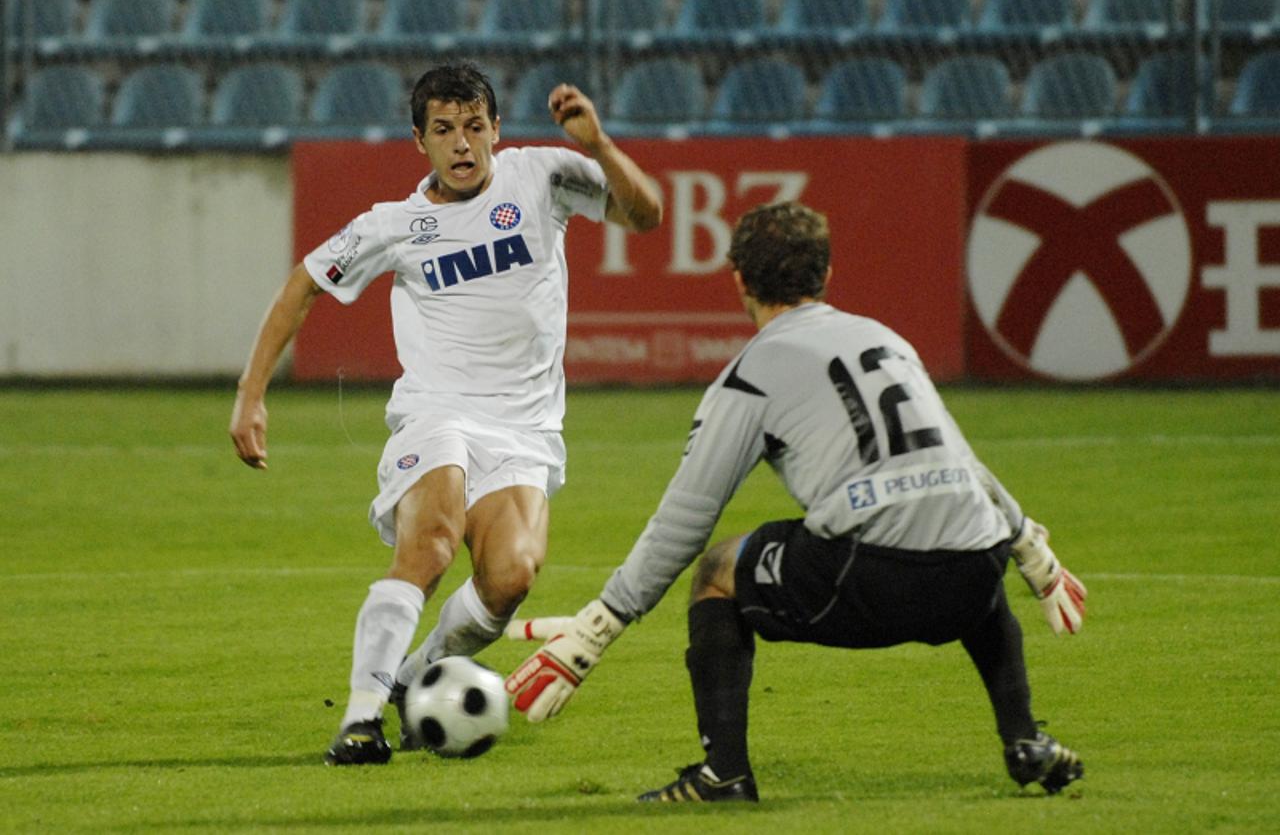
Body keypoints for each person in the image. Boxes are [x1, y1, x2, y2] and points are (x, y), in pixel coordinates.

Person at [505, 202, 1087, 801]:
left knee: (717, 571)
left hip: (875, 576)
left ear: (738, 279)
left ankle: (723, 773)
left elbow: (686, 519)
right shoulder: (886, 340)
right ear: (826, 274)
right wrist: (1031, 550)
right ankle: (1024, 740)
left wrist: (597, 628)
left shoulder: (750, 375)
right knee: (959, 532)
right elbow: (961, 463)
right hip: (976, 570)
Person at [229, 61, 662, 765]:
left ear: (495, 129)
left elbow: (646, 215)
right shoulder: (397, 224)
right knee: (428, 547)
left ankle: (408, 678)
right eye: (443, 130)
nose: (461, 144)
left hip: (524, 428)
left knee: (511, 576)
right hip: (438, 412)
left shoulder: (543, 176)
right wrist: (251, 393)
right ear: (419, 141)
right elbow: (303, 284)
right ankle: (361, 716)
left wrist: (602, 145)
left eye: (472, 126)